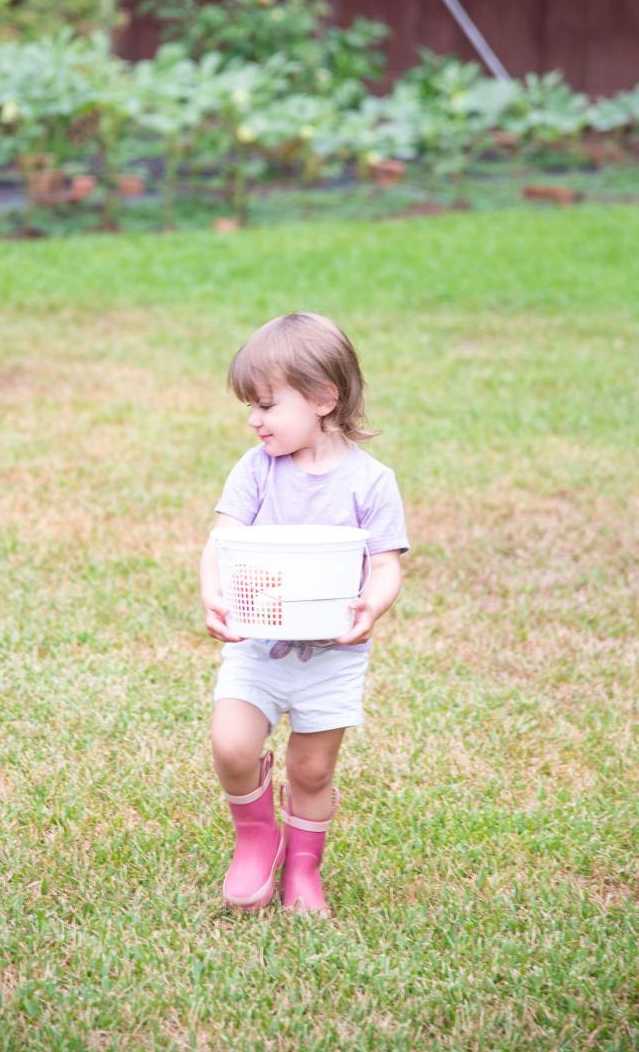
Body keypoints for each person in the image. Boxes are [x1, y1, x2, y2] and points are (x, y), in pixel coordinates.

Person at [199, 312, 409, 916]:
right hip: (257, 647)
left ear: (323, 398)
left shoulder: (371, 483)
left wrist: (374, 602)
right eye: (250, 405)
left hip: (331, 656)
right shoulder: (256, 469)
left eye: (266, 405)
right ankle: (256, 837)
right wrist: (214, 593)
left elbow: (386, 563)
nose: (252, 419)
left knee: (312, 770)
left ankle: (304, 866)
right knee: (232, 746)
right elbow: (222, 539)